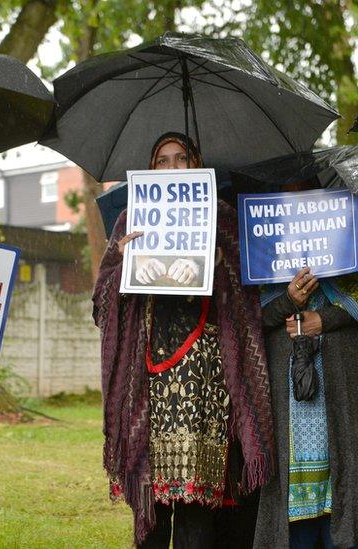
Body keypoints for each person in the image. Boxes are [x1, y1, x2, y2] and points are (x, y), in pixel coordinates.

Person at [93, 132, 275, 547]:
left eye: (182, 159)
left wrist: (218, 264)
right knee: (152, 510)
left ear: (198, 165)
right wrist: (122, 262)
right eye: (163, 160)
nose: (173, 168)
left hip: (204, 385)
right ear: (151, 168)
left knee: (196, 509)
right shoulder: (129, 219)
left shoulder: (223, 219)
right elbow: (101, 304)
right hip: (147, 387)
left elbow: (250, 301)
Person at [253, 183, 358, 549]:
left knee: (345, 485)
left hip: (345, 385)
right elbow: (248, 317)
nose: (299, 198)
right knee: (293, 497)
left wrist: (325, 318)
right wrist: (288, 300)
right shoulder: (262, 242)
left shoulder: (356, 239)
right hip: (288, 395)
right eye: (289, 193)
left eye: (307, 191)